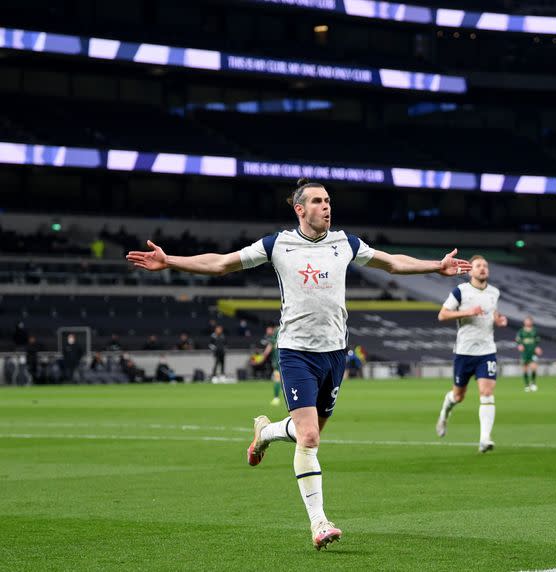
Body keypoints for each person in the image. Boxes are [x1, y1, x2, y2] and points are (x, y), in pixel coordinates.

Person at [126, 177, 471, 550]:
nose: (327, 207)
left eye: (328, 201)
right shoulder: (277, 245)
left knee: (310, 432)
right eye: (319, 201)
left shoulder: (346, 243)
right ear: (300, 209)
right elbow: (222, 263)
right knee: (309, 437)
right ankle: (319, 523)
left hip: (335, 354)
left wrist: (436, 266)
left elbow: (392, 264)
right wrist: (170, 260)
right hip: (295, 353)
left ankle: (267, 432)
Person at [435, 255, 508, 453]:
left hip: (487, 351)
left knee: (486, 392)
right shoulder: (461, 291)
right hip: (464, 351)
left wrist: (499, 320)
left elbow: (493, 314)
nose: (482, 268)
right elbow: (442, 314)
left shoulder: (494, 292)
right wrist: (466, 313)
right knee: (458, 396)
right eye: (478, 266)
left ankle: (485, 438)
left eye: (485, 265)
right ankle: (444, 414)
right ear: (470, 271)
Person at [515, 316, 542, 392]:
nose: (528, 322)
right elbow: (518, 340)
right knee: (525, 368)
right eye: (526, 321)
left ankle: (533, 383)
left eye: (529, 321)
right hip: (525, 352)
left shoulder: (535, 331)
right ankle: (527, 385)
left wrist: (537, 348)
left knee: (534, 367)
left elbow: (537, 341)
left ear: (531, 322)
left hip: (533, 352)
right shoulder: (521, 331)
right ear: (524, 322)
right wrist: (519, 345)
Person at [259, 325, 282, 406]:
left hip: (279, 361)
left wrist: (262, 357)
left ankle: (276, 398)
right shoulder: (286, 328)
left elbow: (269, 346)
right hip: (289, 360)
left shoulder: (277, 331)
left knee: (277, 378)